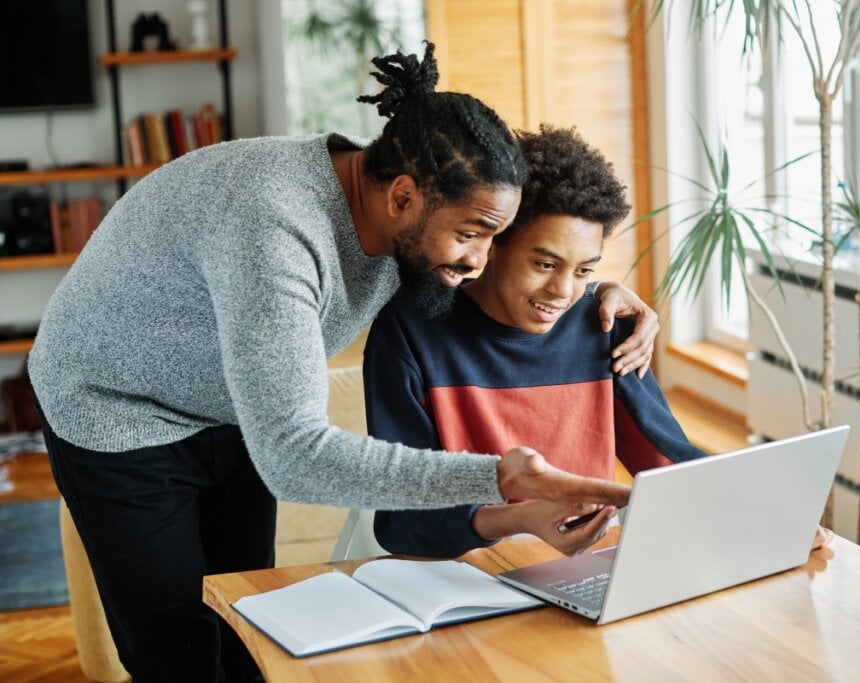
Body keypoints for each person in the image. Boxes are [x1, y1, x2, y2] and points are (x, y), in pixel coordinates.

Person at [27, 44, 652, 682]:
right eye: (472, 234)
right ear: (403, 196)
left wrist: (598, 300)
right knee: (178, 650)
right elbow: (295, 457)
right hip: (117, 407)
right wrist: (500, 478)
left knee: (245, 617)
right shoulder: (275, 230)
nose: (480, 260)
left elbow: (503, 290)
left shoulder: (406, 192)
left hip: (232, 406)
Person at [365, 125, 709, 559]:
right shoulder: (411, 331)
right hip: (465, 575)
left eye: (584, 271)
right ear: (494, 243)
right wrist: (523, 518)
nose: (563, 292)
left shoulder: (604, 325)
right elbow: (402, 523)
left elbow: (669, 462)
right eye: (545, 264)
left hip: (585, 572)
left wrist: (758, 516)